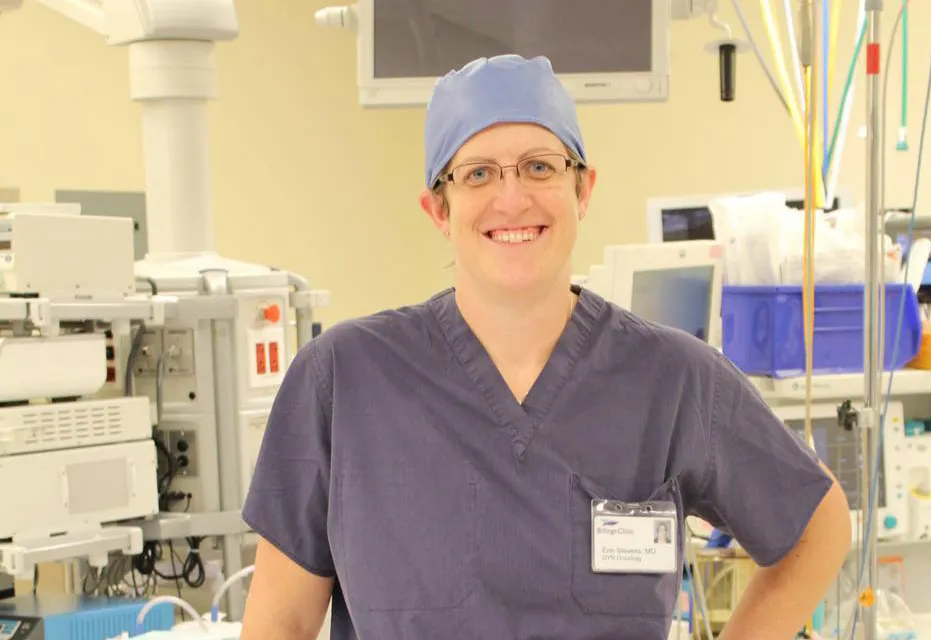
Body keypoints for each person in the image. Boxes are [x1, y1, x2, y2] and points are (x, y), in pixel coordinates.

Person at [239, 55, 852, 640]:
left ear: (583, 189)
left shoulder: (674, 381)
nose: (512, 199)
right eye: (478, 173)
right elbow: (280, 624)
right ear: (438, 209)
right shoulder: (345, 380)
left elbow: (818, 527)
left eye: (539, 167)